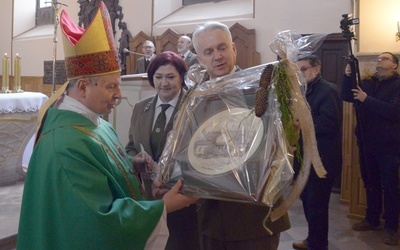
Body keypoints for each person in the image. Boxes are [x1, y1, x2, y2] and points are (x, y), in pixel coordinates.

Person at [16, 3, 197, 250]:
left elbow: (103, 170)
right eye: (111, 86)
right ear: (82, 87)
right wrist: (165, 206)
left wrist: (131, 166)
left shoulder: (96, 122)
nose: (119, 95)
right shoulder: (64, 145)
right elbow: (98, 221)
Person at [191, 21, 291, 250]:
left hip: (256, 219)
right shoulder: (194, 98)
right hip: (212, 217)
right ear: (199, 59)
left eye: (222, 47)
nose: (217, 56)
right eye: (208, 51)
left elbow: (286, 141)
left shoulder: (265, 88)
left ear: (234, 49)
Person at [125, 51, 200, 250]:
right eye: (158, 77)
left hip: (184, 200)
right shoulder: (141, 107)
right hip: (151, 200)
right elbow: (131, 146)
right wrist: (135, 159)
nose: (164, 83)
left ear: (182, 78)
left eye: (170, 77)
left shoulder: (194, 107)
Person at [341, 52, 400, 246]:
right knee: (370, 182)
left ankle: (391, 228)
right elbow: (347, 97)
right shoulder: (368, 82)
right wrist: (348, 77)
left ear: (394, 66)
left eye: (385, 58)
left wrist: (368, 99)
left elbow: (394, 112)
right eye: (378, 58)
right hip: (366, 141)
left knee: (390, 187)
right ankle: (372, 219)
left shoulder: (397, 85)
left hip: (389, 145)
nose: (379, 60)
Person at [292, 55, 342, 250]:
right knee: (307, 202)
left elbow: (331, 123)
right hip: (305, 157)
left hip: (322, 158)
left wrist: (301, 125)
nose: (301, 74)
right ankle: (313, 239)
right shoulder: (303, 91)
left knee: (317, 205)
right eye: (298, 71)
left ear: (317, 68)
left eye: (304, 69)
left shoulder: (327, 90)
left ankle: (319, 245)